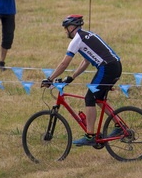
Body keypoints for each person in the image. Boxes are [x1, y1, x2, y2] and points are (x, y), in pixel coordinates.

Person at [42, 15, 123, 147]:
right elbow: (86, 61)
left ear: (72, 27)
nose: (65, 31)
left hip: (107, 68)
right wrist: (71, 77)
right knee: (98, 99)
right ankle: (119, 125)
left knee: (90, 98)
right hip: (115, 66)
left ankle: (90, 135)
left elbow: (64, 64)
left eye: (66, 28)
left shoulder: (77, 40)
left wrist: (50, 79)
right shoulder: (87, 35)